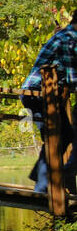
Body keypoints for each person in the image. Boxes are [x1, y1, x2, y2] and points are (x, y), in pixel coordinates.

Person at [20, 12, 77, 193]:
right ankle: (42, 186)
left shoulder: (68, 36)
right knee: (58, 137)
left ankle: (40, 178)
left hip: (43, 95)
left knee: (65, 135)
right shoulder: (68, 39)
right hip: (37, 94)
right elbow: (72, 77)